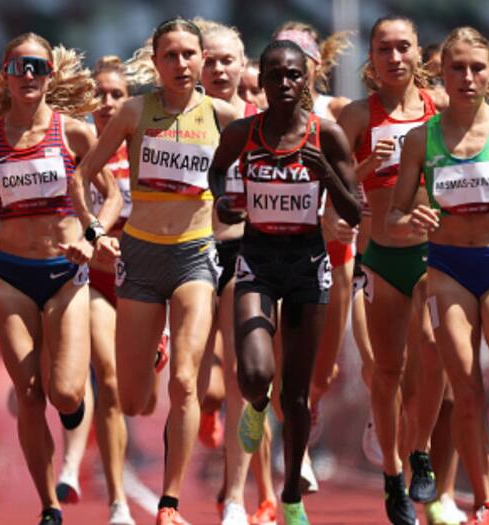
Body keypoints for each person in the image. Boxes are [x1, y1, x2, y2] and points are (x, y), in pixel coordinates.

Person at [69, 17, 241, 525]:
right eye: (173, 55)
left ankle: (169, 502)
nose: (184, 64)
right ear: (157, 61)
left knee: (186, 385)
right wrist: (95, 233)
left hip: (194, 257)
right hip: (139, 258)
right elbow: (82, 176)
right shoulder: (133, 112)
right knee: (136, 398)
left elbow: (267, 169)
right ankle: (155, 347)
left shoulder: (227, 116)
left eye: (192, 55)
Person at [388, 26, 489, 525]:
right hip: (446, 271)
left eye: (476, 67)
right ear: (441, 72)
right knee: (463, 393)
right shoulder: (423, 138)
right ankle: (483, 499)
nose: (466, 77)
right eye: (456, 67)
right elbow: (393, 214)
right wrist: (411, 218)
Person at [0, 32, 122, 525]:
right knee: (28, 393)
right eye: (19, 67)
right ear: (5, 74)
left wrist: (91, 236)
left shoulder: (75, 134)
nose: (28, 76)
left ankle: (72, 411)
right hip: (11, 276)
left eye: (37, 67)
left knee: (66, 392)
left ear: (50, 75)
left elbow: (110, 197)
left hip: (66, 273)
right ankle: (49, 505)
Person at [210, 39, 360, 525]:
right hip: (256, 259)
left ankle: (291, 494)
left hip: (307, 263)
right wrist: (226, 204)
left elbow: (355, 210)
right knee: (253, 373)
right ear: (264, 81)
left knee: (295, 395)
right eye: (275, 75)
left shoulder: (327, 136)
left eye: (294, 75)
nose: (285, 84)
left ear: (306, 80)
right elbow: (216, 177)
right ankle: (255, 407)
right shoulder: (241, 133)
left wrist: (327, 179)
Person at [337, 15, 445, 524]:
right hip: (381, 257)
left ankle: (420, 450)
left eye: (404, 47)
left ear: (419, 53)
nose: (395, 57)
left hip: (433, 256)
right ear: (373, 58)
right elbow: (329, 190)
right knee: (387, 371)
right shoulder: (359, 116)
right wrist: (363, 166)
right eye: (385, 48)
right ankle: (392, 475)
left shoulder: (440, 109)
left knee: (434, 348)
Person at [192, 18, 278, 525]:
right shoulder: (177, 118)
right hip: (192, 253)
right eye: (210, 59)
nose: (219, 68)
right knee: (206, 386)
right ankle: (206, 407)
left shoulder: (264, 122)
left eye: (228, 59)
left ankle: (238, 499)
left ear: (243, 65)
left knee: (252, 379)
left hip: (250, 254)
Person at [52, 55, 138, 525]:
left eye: (115, 96)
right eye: (97, 96)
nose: (105, 104)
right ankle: (118, 501)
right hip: (94, 279)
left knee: (135, 394)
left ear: (129, 102)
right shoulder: (75, 146)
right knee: (104, 379)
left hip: (144, 278)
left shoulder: (146, 145)